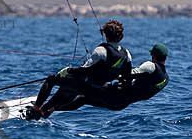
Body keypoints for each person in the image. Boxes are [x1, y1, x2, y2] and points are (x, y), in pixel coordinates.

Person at [24, 19, 134, 120]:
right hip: (99, 90)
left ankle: (36, 108)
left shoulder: (101, 51)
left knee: (52, 79)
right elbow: (127, 78)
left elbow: (84, 71)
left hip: (85, 85)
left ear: (106, 35)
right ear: (121, 36)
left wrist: (68, 70)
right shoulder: (127, 54)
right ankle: (44, 111)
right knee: (68, 87)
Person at [32, 43, 169, 118]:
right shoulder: (165, 79)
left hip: (112, 95)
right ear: (165, 57)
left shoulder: (150, 66)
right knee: (83, 99)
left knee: (78, 86)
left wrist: (109, 72)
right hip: (121, 105)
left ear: (153, 55)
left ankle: (39, 110)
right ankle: (51, 109)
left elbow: (128, 75)